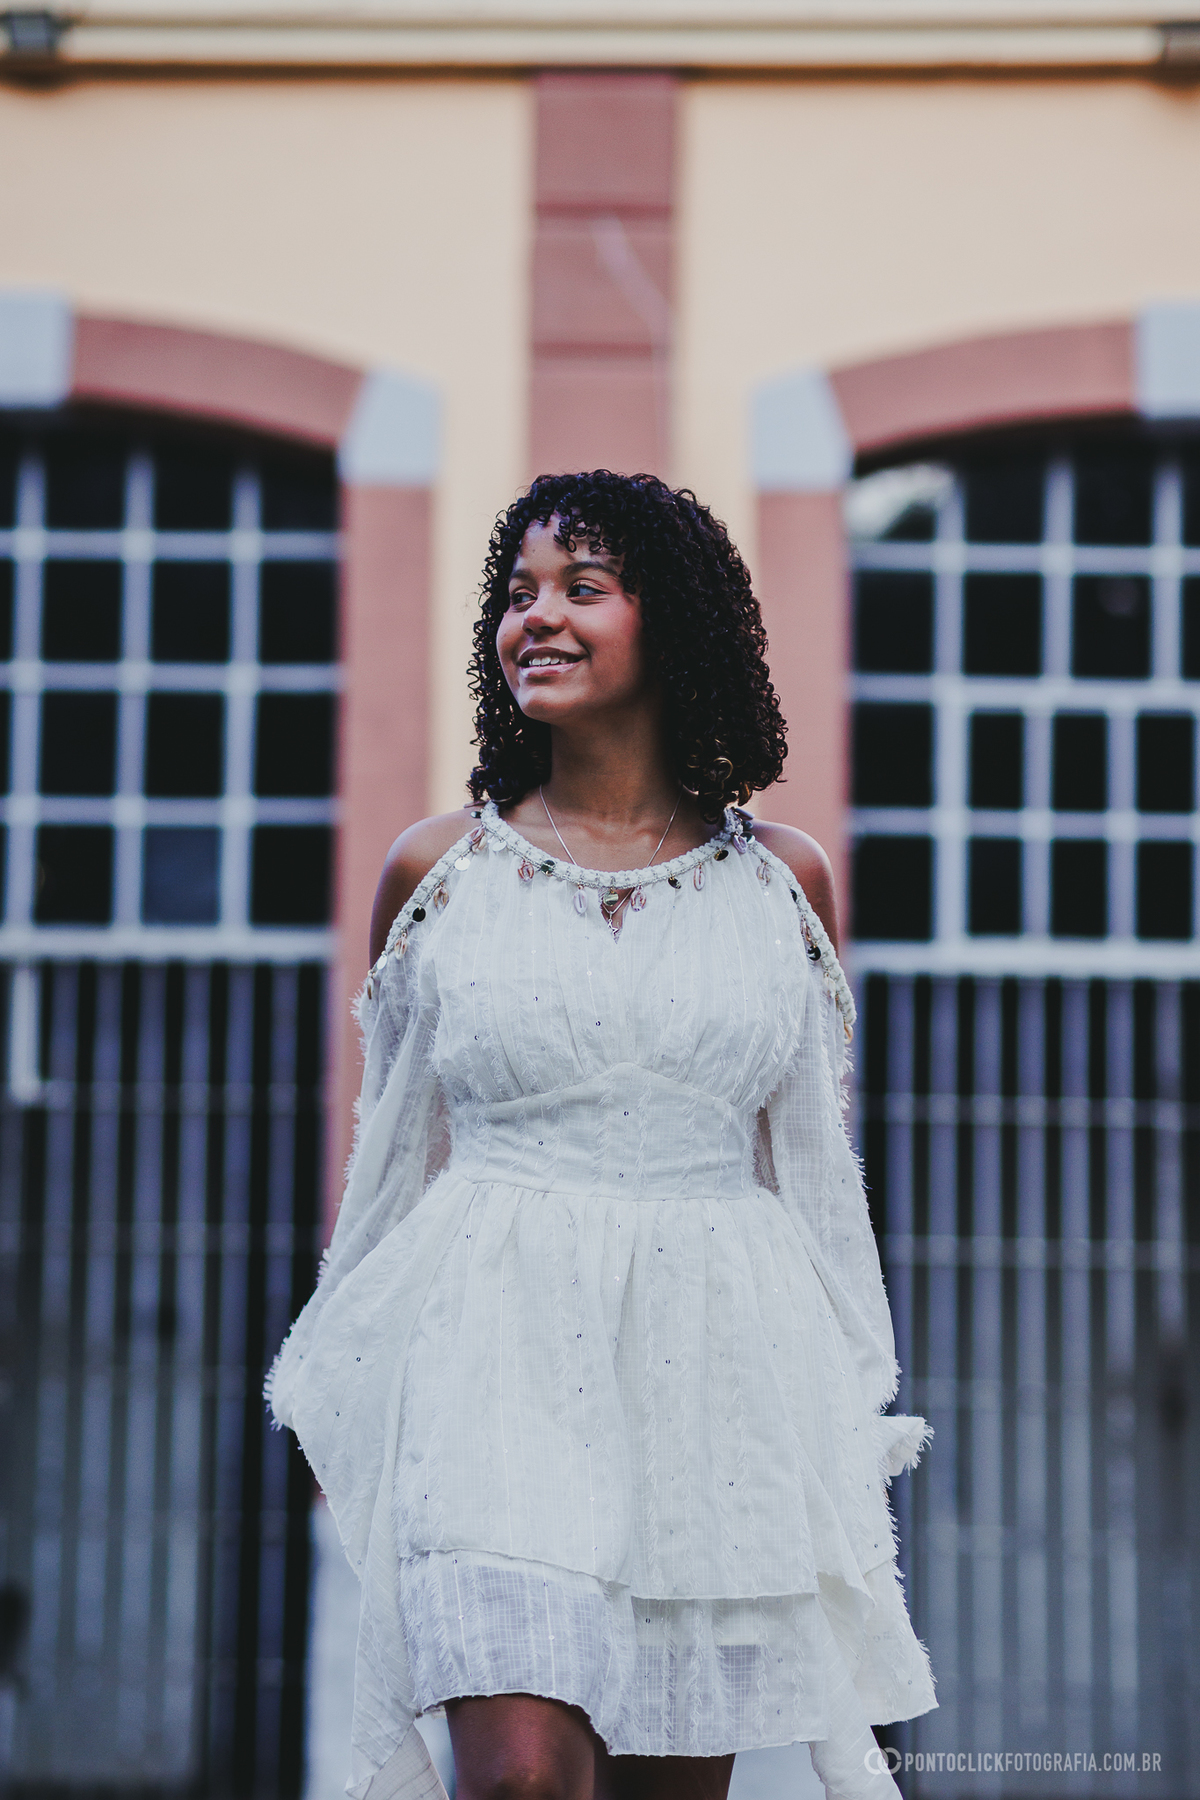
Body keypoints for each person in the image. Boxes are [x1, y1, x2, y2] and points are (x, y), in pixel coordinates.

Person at [268, 471, 936, 1800]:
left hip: (713, 1384)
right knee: (518, 1781)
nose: (539, 619)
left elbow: (809, 1166)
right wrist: (364, 1399)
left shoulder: (784, 884)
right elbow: (390, 1157)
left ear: (672, 623)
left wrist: (836, 1417)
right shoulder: (435, 873)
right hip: (490, 1371)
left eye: (582, 587)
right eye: (517, 595)